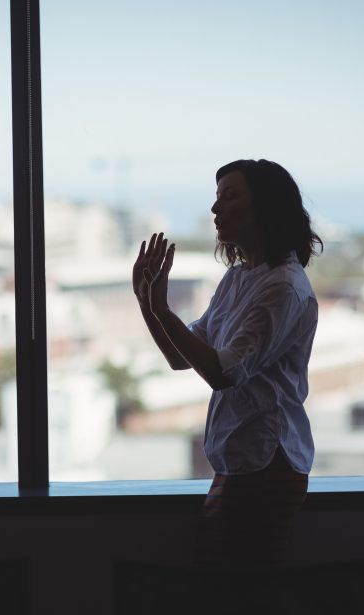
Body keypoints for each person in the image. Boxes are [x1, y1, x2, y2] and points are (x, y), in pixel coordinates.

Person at [133, 158, 321, 567]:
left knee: (236, 593)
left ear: (265, 206)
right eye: (217, 198)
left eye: (230, 197)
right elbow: (180, 359)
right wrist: (148, 305)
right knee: (230, 590)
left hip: (267, 462)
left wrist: (161, 310)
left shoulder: (284, 287)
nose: (216, 209)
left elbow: (223, 372)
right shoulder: (238, 278)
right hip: (242, 463)